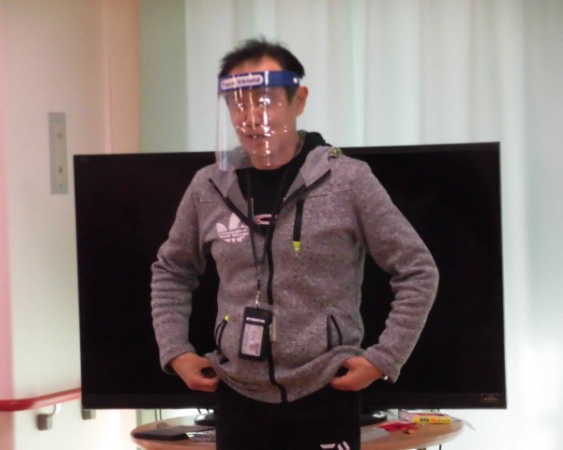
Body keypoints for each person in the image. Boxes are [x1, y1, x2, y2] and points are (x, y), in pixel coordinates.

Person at [151, 38, 439, 450]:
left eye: (265, 101)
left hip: (326, 391)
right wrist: (176, 351)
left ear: (298, 100)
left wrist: (383, 359)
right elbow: (172, 270)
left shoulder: (348, 181)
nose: (252, 118)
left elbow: (417, 270)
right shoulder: (208, 186)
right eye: (238, 104)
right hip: (236, 393)